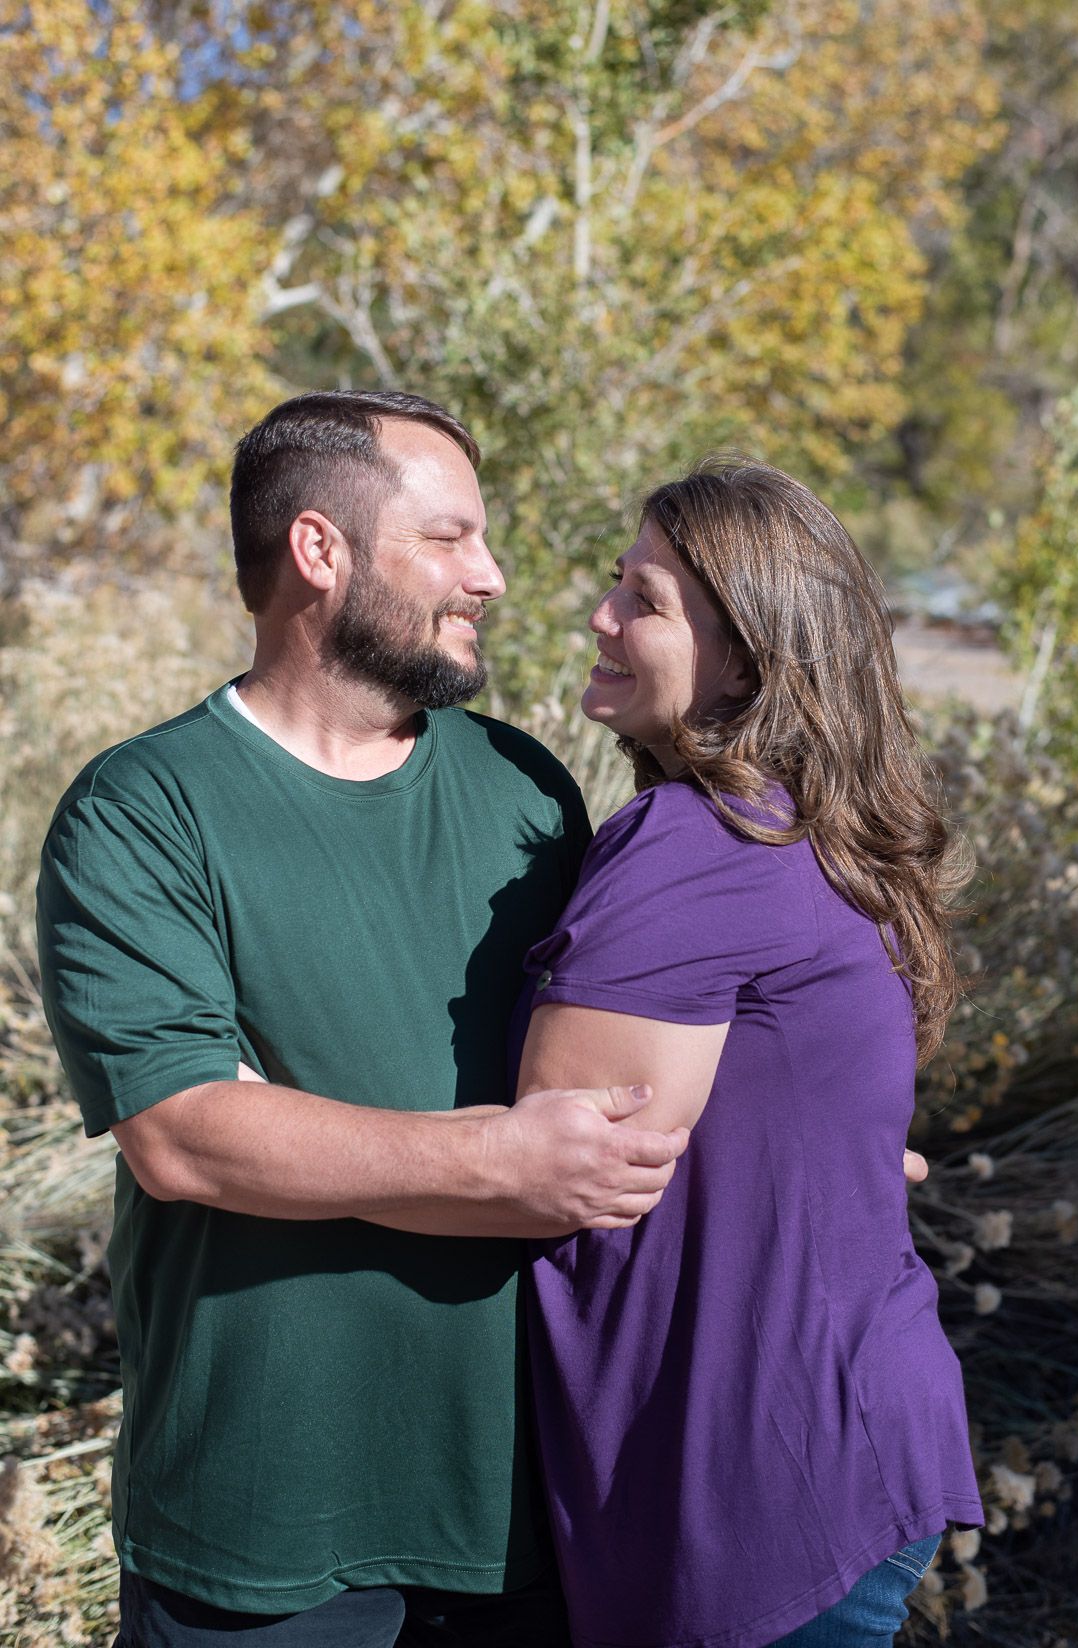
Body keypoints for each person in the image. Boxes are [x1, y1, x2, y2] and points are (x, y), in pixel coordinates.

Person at [36, 389, 692, 1648]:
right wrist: (500, 1159)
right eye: (448, 538)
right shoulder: (143, 810)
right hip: (255, 1527)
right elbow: (184, 1136)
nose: (490, 576)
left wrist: (810, 1141)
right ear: (318, 549)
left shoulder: (524, 791)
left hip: (521, 1513)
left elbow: (625, 1081)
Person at [515, 458, 984, 1648]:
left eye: (645, 601)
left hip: (759, 1488)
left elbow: (551, 1171)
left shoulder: (697, 841)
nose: (599, 616)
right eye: (614, 582)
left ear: (745, 661)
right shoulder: (809, 827)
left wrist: (266, 1133)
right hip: (839, 1437)